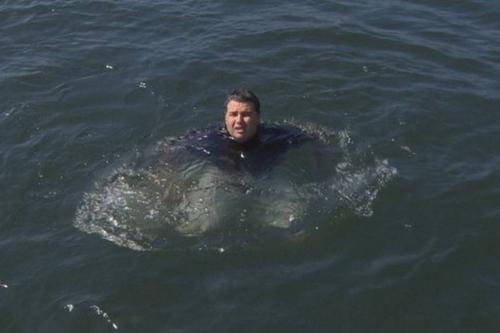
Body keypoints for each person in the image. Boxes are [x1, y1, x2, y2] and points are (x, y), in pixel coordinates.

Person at [181, 88, 312, 175]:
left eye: (246, 114)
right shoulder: (209, 138)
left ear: (258, 117)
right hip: (221, 179)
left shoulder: (275, 137)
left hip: (264, 180)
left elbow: (312, 136)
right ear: (225, 117)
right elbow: (172, 144)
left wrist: (320, 161)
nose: (239, 120)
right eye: (233, 114)